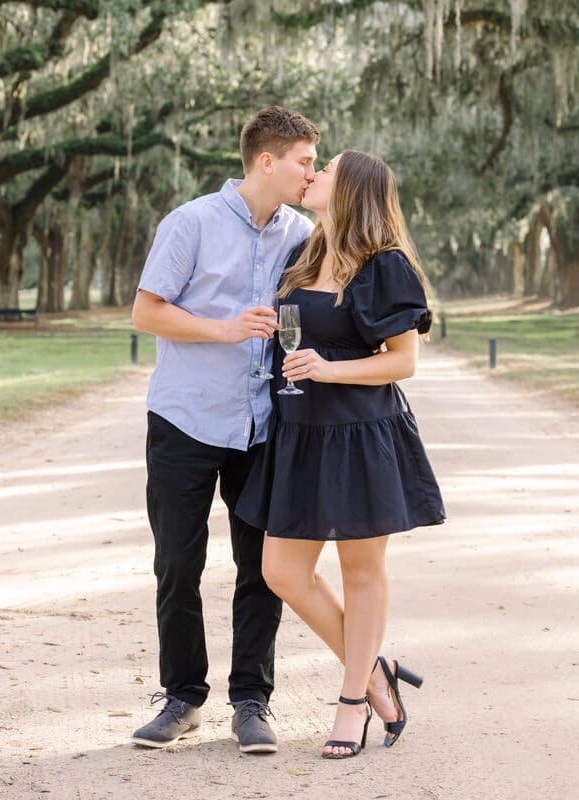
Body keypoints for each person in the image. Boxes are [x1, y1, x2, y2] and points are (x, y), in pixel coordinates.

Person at [236, 150, 446, 759]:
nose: (313, 175)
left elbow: (403, 361)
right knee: (282, 570)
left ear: (350, 188)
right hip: (298, 434)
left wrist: (329, 370)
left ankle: (352, 699)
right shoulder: (304, 253)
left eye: (323, 168)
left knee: (360, 571)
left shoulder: (384, 266)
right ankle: (378, 673)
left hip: (359, 436)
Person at [128, 107, 319, 754]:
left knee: (263, 567)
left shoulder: (303, 233)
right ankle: (182, 698)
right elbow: (146, 312)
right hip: (185, 419)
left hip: (265, 427)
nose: (310, 173)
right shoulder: (190, 223)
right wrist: (224, 328)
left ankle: (251, 702)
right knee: (178, 562)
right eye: (304, 161)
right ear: (267, 160)